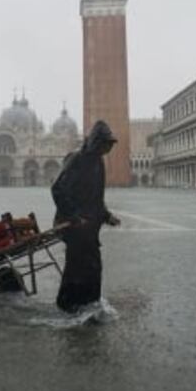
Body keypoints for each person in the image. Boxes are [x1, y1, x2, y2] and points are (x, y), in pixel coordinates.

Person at [50, 120, 121, 313]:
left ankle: (90, 303)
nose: (109, 149)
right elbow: (58, 189)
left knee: (93, 267)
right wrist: (74, 217)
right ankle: (68, 305)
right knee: (76, 266)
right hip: (73, 225)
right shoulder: (76, 159)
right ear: (97, 142)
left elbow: (96, 197)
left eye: (110, 145)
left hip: (89, 227)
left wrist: (107, 216)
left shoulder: (98, 162)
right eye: (106, 144)